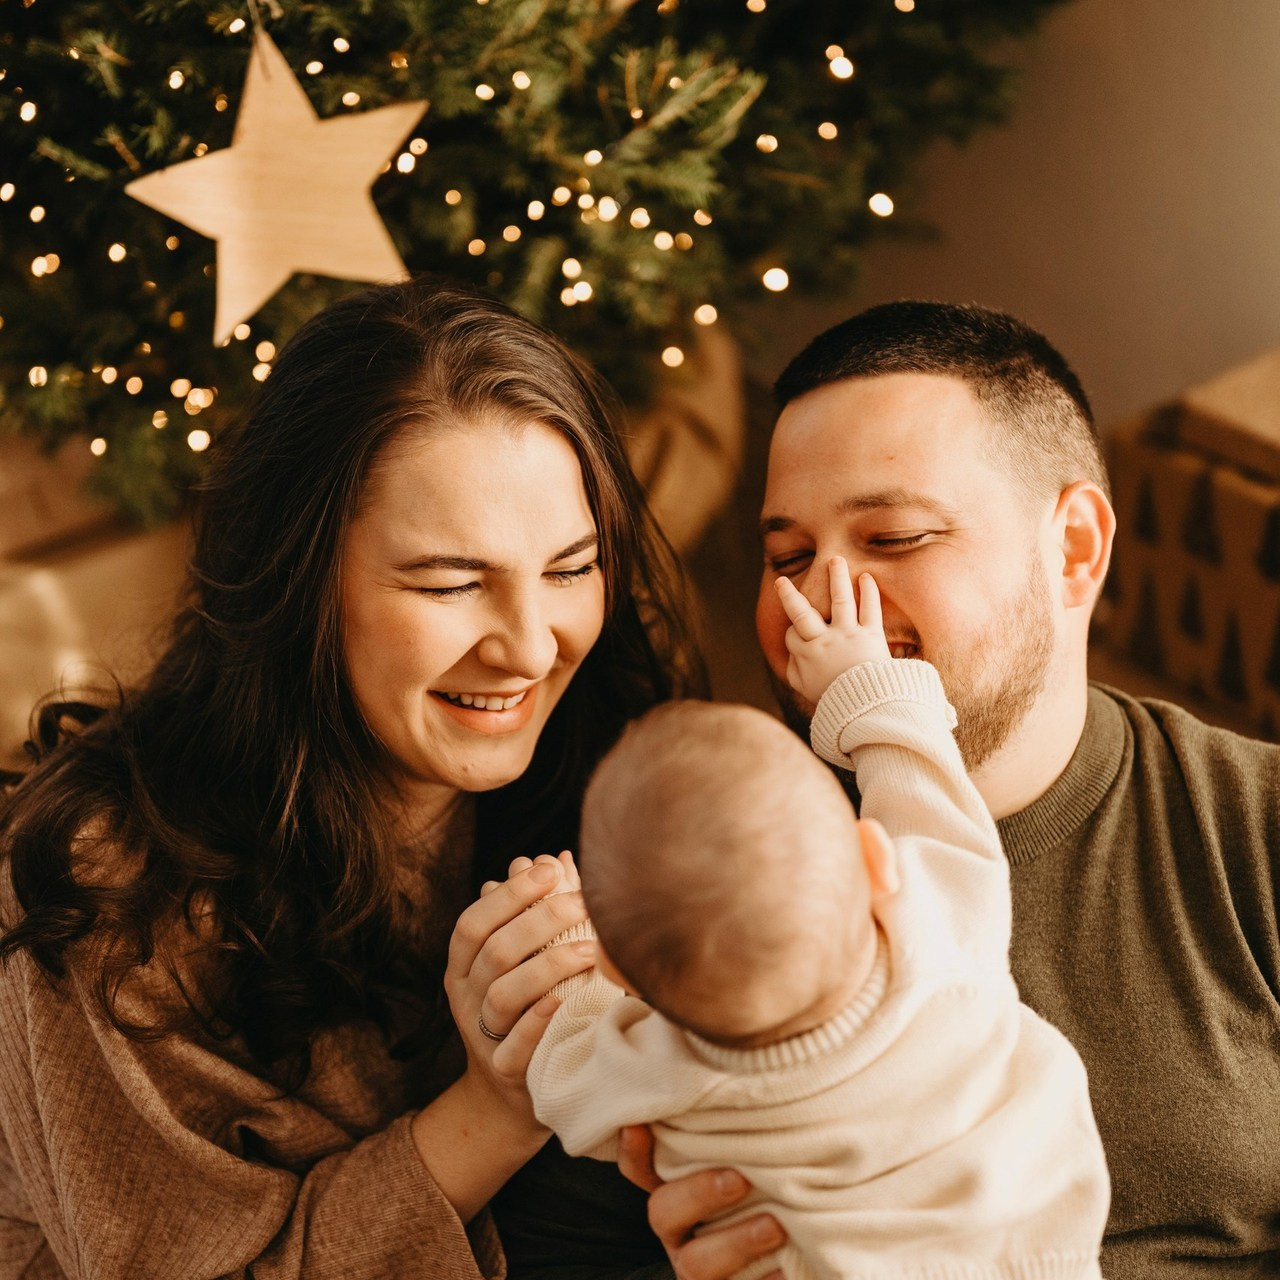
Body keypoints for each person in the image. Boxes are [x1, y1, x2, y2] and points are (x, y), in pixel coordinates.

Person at [0, 278, 786, 1280]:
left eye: (569, 568)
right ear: (299, 580)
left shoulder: (611, 762)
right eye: (451, 582)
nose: (529, 647)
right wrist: (497, 1103)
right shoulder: (108, 892)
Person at [746, 299, 1280, 1277]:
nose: (821, 601)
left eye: (894, 536)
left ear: (1073, 547)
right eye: (786, 557)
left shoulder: (1254, 829)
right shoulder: (706, 868)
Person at [524, 561, 1109, 1280]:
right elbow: (920, 779)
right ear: (876, 858)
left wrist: (569, 945)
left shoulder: (658, 1072)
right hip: (1037, 1250)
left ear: (620, 968)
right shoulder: (935, 928)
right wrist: (862, 679)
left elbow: (560, 1080)